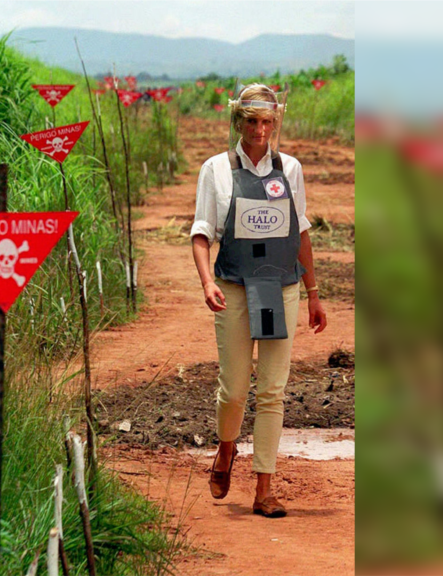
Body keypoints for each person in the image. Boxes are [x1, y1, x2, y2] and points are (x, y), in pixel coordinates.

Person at [190, 83, 327, 518]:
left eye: (267, 121)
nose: (260, 130)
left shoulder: (291, 170)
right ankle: (226, 448)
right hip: (232, 287)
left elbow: (300, 232)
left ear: (275, 123)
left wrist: (313, 292)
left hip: (279, 289)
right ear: (238, 122)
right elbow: (201, 233)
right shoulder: (215, 169)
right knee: (234, 389)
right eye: (252, 121)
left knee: (272, 390)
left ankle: (264, 487)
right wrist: (206, 281)